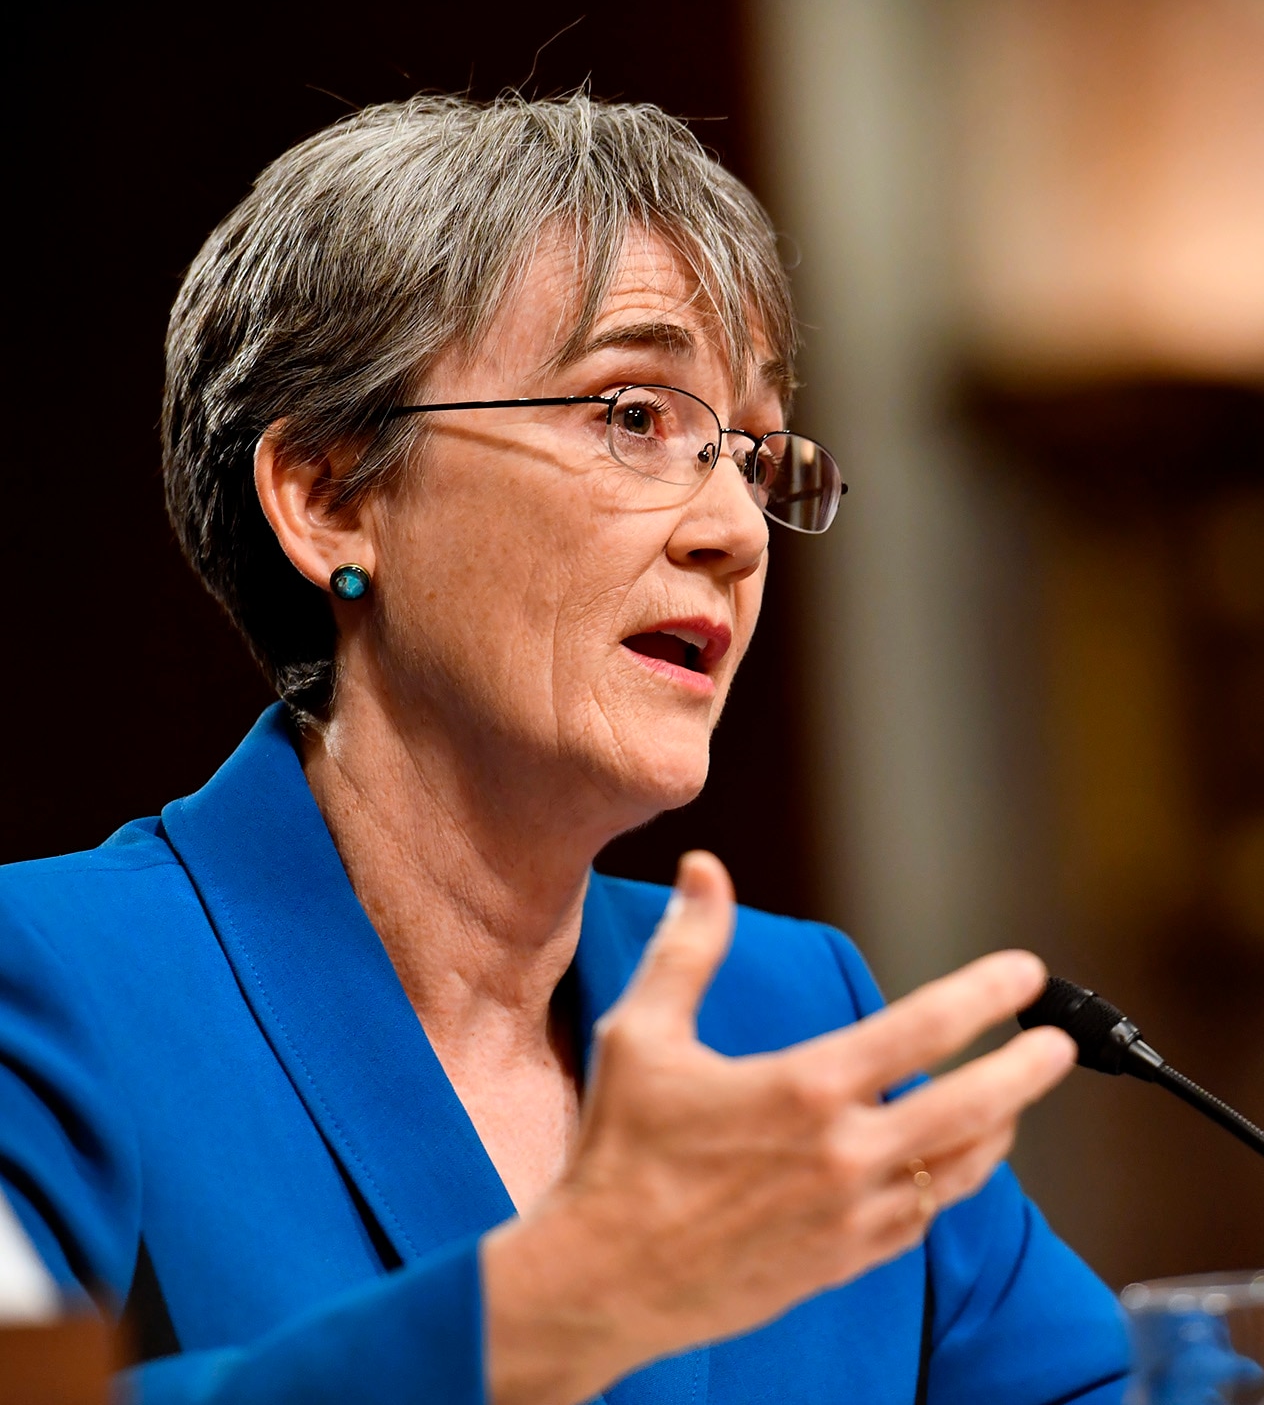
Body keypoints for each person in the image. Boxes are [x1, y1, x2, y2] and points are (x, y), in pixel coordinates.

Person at [0, 94, 1127, 1404]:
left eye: (753, 454)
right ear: (330, 497)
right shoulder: (53, 985)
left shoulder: (794, 1011)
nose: (736, 531)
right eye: (632, 416)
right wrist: (545, 1312)